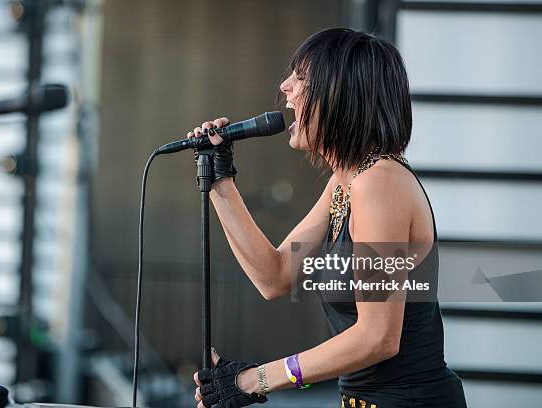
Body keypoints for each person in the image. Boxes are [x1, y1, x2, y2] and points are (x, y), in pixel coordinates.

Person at [187, 28, 467, 408]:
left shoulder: (379, 184)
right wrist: (220, 180)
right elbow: (275, 276)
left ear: (340, 93)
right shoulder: (345, 182)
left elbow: (377, 337)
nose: (285, 87)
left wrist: (256, 380)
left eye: (300, 77)